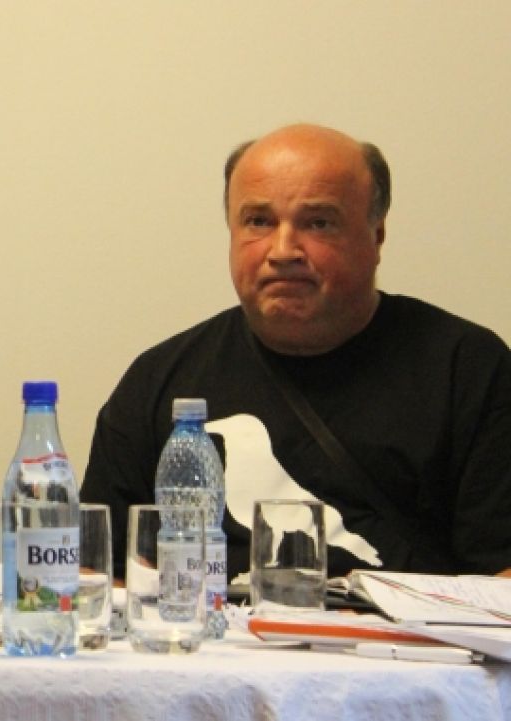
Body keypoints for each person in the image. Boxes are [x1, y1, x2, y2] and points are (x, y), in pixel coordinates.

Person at [82, 123, 511, 581]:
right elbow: (95, 573)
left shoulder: (468, 369)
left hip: (405, 628)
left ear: (377, 236)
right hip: (217, 625)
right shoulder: (161, 380)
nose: (283, 250)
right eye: (258, 221)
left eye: (318, 223)